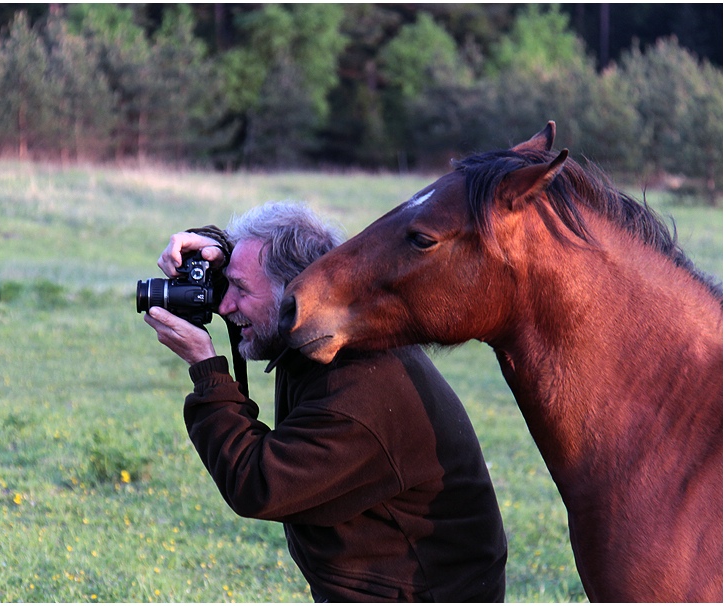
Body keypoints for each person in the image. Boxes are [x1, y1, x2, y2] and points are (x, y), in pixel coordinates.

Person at [143, 202, 507, 602]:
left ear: (293, 291)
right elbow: (257, 271)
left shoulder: (357, 393)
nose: (225, 305)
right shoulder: (329, 323)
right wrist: (212, 250)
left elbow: (256, 483)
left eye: (240, 290)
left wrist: (207, 371)